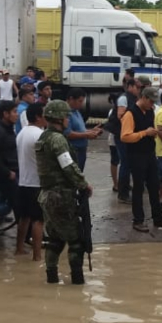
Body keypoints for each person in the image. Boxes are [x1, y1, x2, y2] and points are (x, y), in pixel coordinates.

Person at [36, 99, 92, 284]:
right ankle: (77, 281)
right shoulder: (58, 140)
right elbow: (68, 165)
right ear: (59, 118)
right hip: (61, 196)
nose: (68, 119)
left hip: (47, 195)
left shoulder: (43, 137)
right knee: (76, 241)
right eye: (66, 116)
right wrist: (84, 184)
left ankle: (51, 278)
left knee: (55, 239)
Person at [121, 87, 162, 233]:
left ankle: (158, 217)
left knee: (154, 185)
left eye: (154, 102)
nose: (152, 104)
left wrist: (152, 134)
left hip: (150, 153)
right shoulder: (130, 114)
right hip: (136, 155)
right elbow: (125, 136)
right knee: (139, 188)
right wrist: (144, 133)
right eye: (151, 101)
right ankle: (138, 220)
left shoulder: (150, 111)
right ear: (143, 98)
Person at [16, 102, 46, 261]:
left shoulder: (21, 133)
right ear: (38, 117)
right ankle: (37, 256)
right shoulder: (39, 135)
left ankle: (19, 249)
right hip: (37, 183)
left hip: (23, 182)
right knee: (38, 220)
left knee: (24, 217)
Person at [106, 77, 141, 201]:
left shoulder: (133, 98)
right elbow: (121, 115)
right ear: (130, 87)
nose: (139, 90)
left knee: (128, 162)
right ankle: (122, 193)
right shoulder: (123, 98)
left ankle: (125, 187)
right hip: (121, 135)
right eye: (138, 87)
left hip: (128, 134)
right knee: (125, 162)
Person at [64, 88, 102, 171]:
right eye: (79, 101)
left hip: (81, 149)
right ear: (71, 99)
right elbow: (68, 133)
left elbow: (80, 130)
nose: (81, 104)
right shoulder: (66, 113)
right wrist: (86, 134)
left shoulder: (76, 111)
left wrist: (92, 131)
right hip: (73, 150)